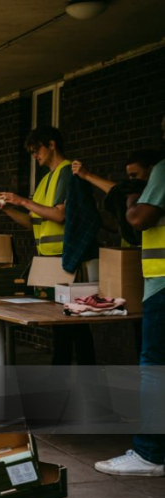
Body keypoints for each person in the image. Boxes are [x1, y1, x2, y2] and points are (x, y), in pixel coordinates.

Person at [0, 125, 97, 365]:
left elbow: (59, 216)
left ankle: (79, 375)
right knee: (61, 323)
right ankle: (66, 373)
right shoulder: (46, 179)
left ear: (51, 144)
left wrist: (21, 200)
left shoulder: (67, 171)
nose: (34, 155)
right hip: (51, 260)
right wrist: (8, 208)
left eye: (36, 149)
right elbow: (33, 221)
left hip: (68, 258)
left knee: (75, 324)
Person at [95, 128, 165, 477]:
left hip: (163, 285)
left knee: (153, 366)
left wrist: (131, 200)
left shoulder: (164, 169)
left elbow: (138, 219)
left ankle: (149, 454)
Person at [72, 149, 162, 247]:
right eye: (129, 177)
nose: (131, 181)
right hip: (133, 255)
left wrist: (87, 175)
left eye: (134, 175)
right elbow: (118, 225)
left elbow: (121, 191)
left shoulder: (153, 197)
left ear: (151, 171)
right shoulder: (134, 198)